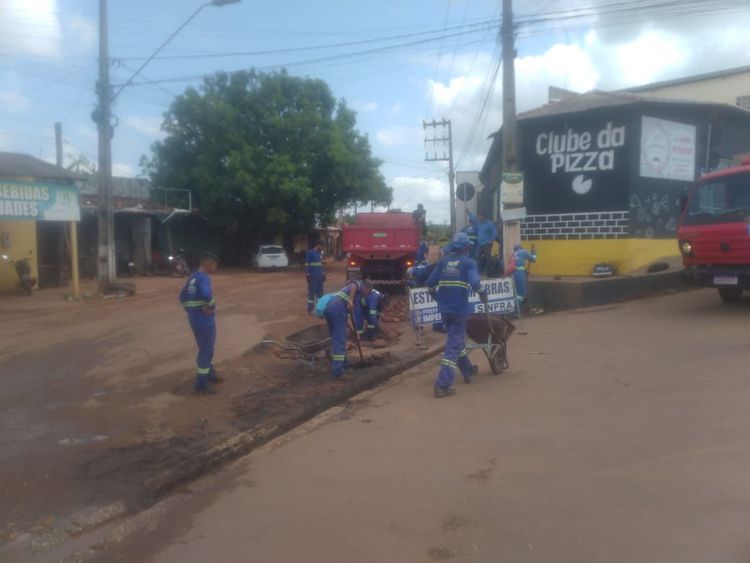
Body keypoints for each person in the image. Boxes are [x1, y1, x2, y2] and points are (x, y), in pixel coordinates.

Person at [427, 232, 488, 398]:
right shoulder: (468, 263)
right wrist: (484, 294)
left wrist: (438, 299)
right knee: (453, 347)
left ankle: (467, 370)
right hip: (459, 311)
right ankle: (442, 385)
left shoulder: (443, 262)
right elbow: (475, 283)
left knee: (457, 340)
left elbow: (430, 284)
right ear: (467, 247)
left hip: (445, 311)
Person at [179, 251, 221, 394]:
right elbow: (205, 294)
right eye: (214, 265)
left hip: (195, 321)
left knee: (206, 348)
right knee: (206, 350)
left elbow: (182, 296)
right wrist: (212, 305)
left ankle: (210, 374)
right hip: (205, 322)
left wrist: (190, 310)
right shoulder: (203, 278)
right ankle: (201, 384)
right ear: (207, 264)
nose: (215, 268)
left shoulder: (193, 278)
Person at [324, 280, 371, 379]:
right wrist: (350, 300)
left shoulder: (356, 297)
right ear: (367, 288)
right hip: (337, 310)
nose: (367, 295)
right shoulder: (359, 287)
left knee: (339, 338)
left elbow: (347, 318)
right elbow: (353, 284)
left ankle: (345, 365)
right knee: (340, 340)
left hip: (331, 310)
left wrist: (355, 332)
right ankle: (338, 372)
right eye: (368, 292)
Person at [467, 211, 498, 275]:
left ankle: (487, 271)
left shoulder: (489, 224)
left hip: (487, 243)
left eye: (481, 218)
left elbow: (494, 232)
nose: (479, 219)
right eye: (479, 218)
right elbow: (473, 218)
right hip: (480, 244)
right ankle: (479, 271)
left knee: (487, 258)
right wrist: (468, 212)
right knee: (477, 256)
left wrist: (491, 240)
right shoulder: (479, 222)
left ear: (484, 218)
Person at [305, 241, 326, 314]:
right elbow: (307, 263)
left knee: (320, 293)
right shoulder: (310, 253)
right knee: (312, 292)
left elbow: (321, 264)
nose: (322, 248)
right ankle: (310, 309)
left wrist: (323, 274)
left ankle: (318, 308)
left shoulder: (320, 253)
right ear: (318, 245)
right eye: (321, 246)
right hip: (313, 276)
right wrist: (307, 274)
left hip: (320, 276)